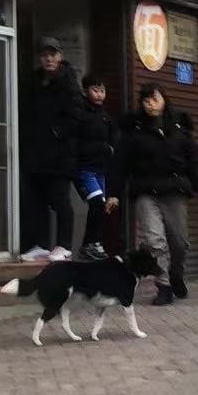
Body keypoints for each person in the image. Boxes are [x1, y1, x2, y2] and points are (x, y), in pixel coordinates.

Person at [108, 85, 198, 305]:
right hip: (145, 192)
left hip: (174, 191)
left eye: (154, 99)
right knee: (155, 241)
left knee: (180, 242)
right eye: (146, 101)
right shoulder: (134, 131)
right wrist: (114, 193)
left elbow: (194, 160)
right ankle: (164, 286)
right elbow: (120, 164)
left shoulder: (179, 128)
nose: (150, 104)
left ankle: (176, 275)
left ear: (164, 100)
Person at [19, 37, 82, 262]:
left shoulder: (68, 81)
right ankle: (40, 244)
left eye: (52, 54)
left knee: (60, 200)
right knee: (36, 201)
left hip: (60, 155)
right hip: (36, 154)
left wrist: (56, 133)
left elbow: (76, 116)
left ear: (60, 56)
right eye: (44, 55)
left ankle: (64, 245)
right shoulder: (34, 81)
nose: (48, 59)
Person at [77, 71, 119, 257]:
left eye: (102, 91)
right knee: (96, 203)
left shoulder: (105, 116)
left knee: (101, 206)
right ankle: (90, 244)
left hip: (100, 170)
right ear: (86, 91)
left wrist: (111, 149)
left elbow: (115, 139)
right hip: (85, 169)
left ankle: (93, 243)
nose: (100, 94)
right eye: (95, 90)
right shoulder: (80, 113)